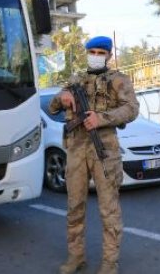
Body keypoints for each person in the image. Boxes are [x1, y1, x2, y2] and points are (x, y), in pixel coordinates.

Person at [49, 36, 139, 274]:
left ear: (109, 55)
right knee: (74, 205)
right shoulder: (75, 79)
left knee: (108, 208)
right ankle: (76, 256)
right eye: (93, 51)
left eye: (101, 52)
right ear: (86, 52)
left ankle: (110, 262)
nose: (96, 55)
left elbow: (131, 109)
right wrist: (62, 97)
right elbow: (53, 107)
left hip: (104, 149)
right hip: (77, 147)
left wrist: (101, 118)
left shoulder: (118, 80)